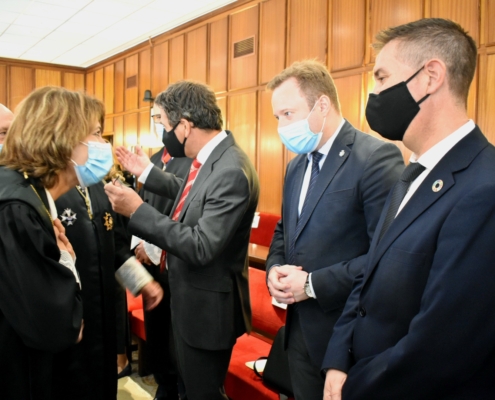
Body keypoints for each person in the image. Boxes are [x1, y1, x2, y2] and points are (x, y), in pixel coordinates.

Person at [323, 18, 495, 400]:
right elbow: (369, 277)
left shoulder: (485, 189)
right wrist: (337, 359)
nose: (374, 94)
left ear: (431, 75)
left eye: (382, 78)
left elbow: (442, 348)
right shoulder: (411, 173)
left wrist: (354, 387)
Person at [104, 80, 260, 400]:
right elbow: (189, 197)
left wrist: (138, 210)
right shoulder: (210, 158)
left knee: (202, 394)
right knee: (185, 389)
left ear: (185, 126)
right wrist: (147, 174)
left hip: (207, 313)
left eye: (162, 122)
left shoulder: (230, 167)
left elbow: (202, 245)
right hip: (190, 305)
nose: (160, 132)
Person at [265, 60, 404, 399]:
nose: (282, 127)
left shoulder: (376, 158)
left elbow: (385, 257)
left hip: (348, 338)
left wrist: (312, 284)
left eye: (288, 114)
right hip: (298, 333)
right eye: (277, 118)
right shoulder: (297, 166)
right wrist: (273, 270)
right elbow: (285, 230)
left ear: (322, 105)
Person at [50, 96, 160, 400]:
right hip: (70, 322)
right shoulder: (46, 191)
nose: (103, 142)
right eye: (96, 133)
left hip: (104, 317)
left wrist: (141, 283)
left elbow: (116, 248)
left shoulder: (99, 187)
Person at [0, 86, 87, 399]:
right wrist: (68, 265)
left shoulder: (26, 192)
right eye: (92, 135)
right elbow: (59, 327)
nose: (100, 147)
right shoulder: (17, 207)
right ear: (62, 142)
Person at [133, 104, 192, 400]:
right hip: (146, 263)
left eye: (161, 119)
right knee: (156, 336)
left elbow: (184, 215)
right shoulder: (155, 159)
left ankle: (172, 387)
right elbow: (139, 204)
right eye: (154, 119)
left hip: (172, 261)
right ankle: (162, 385)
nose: (157, 124)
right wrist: (137, 246)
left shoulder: (191, 160)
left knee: (173, 342)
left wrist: (153, 247)